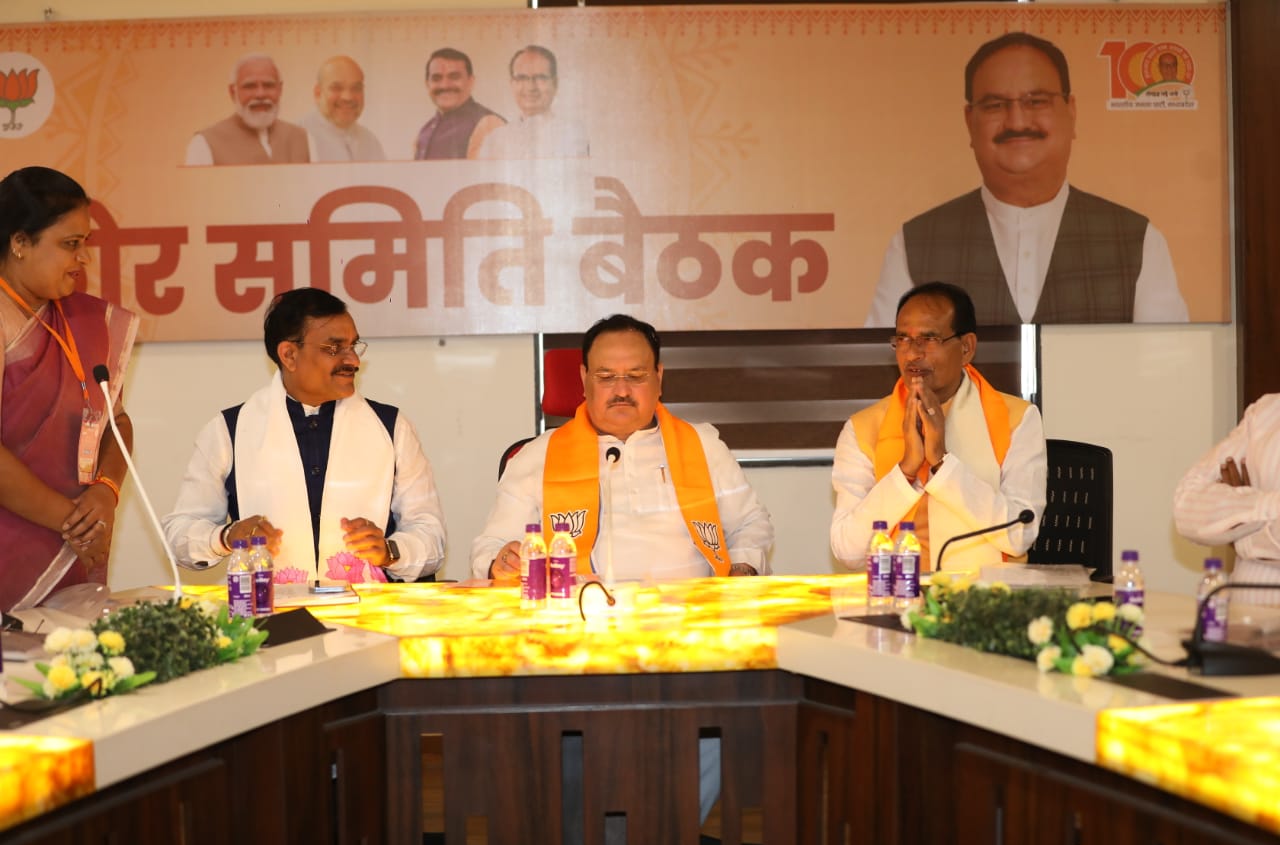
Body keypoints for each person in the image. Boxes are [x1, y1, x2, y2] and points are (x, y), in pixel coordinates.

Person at [865, 32, 1187, 326]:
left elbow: (1169, 371)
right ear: (969, 121)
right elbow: (883, 371)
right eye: (994, 105)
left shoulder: (1137, 240)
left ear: (1071, 112)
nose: (1017, 120)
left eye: (1036, 101)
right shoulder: (915, 243)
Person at [163, 288, 445, 582]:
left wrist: (390, 551)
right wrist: (226, 537)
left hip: (370, 618)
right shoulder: (229, 430)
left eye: (353, 346)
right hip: (268, 619)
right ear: (289, 355)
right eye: (334, 348)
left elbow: (431, 537)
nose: (353, 361)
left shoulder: (392, 428)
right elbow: (179, 534)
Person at [471, 313, 773, 582]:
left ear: (659, 378)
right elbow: (491, 546)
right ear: (583, 379)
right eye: (606, 377)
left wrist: (741, 571)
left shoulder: (704, 446)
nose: (622, 391)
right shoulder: (536, 456)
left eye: (636, 376)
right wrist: (501, 562)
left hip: (692, 619)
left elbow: (749, 523)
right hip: (579, 621)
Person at [833, 282, 1046, 573]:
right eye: (903, 339)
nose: (912, 354)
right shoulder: (863, 428)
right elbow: (848, 549)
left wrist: (941, 464)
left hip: (986, 602)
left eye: (928, 339)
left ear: (967, 347)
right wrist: (906, 470)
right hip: (898, 600)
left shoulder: (1017, 419)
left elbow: (1020, 534)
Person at [0, 166, 138, 612]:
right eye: (69, 245)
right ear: (20, 243)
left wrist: (107, 492)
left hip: (74, 553)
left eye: (85, 245)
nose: (83, 259)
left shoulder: (87, 321)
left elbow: (116, 422)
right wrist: (73, 523)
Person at [1173, 396, 1280, 606]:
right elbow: (1186, 506)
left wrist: (1234, 529)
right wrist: (1263, 507)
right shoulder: (1265, 412)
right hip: (1240, 628)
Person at [186, 54, 312, 166]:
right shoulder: (205, 143)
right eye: (250, 86)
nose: (260, 94)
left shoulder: (304, 139)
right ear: (232, 92)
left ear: (280, 90)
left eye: (268, 85)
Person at [476, 45, 589, 160]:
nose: (531, 87)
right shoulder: (494, 139)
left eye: (540, 78)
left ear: (555, 84)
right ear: (512, 84)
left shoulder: (571, 133)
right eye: (522, 78)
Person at [413, 48, 505, 160]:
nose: (445, 85)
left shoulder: (489, 125)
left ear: (471, 81)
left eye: (454, 77)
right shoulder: (424, 132)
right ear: (427, 84)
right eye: (436, 78)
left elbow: (490, 177)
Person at [299, 55, 387, 162]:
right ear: (318, 93)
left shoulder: (370, 142)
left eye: (356, 88)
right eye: (336, 88)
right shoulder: (298, 139)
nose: (348, 97)